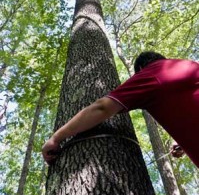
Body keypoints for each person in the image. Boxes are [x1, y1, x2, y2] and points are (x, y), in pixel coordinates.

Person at [42, 51, 199, 168]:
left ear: (142, 68)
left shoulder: (150, 74)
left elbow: (102, 108)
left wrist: (56, 138)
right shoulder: (192, 65)